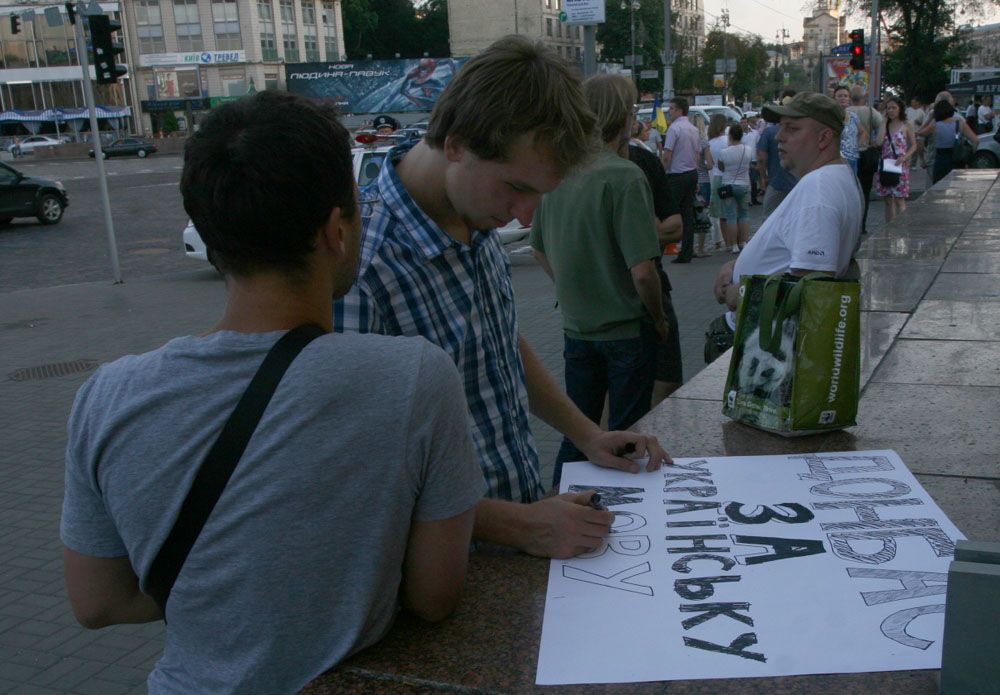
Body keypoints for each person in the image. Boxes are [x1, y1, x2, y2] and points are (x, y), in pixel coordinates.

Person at [60, 92, 485, 693]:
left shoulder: (106, 395)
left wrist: (223, 600)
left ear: (212, 237)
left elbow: (96, 603)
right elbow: (435, 597)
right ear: (336, 230)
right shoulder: (414, 378)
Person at [332, 36, 670, 560]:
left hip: (517, 532)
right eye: (515, 188)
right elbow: (360, 472)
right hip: (437, 572)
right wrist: (520, 526)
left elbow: (499, 348)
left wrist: (587, 435)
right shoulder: (362, 265)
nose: (527, 216)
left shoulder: (474, 216)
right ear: (458, 143)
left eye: (539, 194)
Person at [531, 74, 668, 484]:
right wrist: (659, 319)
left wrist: (572, 285)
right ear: (621, 117)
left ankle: (561, 497)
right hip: (626, 332)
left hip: (577, 328)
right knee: (626, 436)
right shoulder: (623, 175)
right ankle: (623, 520)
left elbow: (538, 248)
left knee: (580, 430)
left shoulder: (559, 172)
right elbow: (644, 272)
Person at [707, 92, 863, 363]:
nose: (779, 137)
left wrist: (741, 293)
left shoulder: (819, 189)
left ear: (824, 138)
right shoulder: (829, 178)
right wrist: (737, 266)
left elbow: (811, 286)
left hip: (762, 350)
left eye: (792, 128)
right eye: (781, 127)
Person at [662, 97, 702, 264]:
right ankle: (687, 251)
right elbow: (697, 154)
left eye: (671, 109)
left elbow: (667, 154)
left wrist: (662, 173)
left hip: (677, 174)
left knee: (668, 211)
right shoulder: (693, 129)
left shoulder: (674, 128)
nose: (669, 112)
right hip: (691, 173)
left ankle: (663, 246)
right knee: (687, 213)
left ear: (679, 110)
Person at [848, 85, 884, 235]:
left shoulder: (845, 112)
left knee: (850, 190)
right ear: (864, 98)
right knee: (865, 190)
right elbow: (881, 127)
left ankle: (851, 225)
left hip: (850, 154)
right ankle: (862, 225)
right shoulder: (871, 111)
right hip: (868, 154)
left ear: (850, 98)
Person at [875, 96, 917, 223]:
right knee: (887, 199)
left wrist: (905, 157)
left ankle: (901, 227)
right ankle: (888, 228)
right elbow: (878, 142)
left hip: (900, 165)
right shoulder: (885, 124)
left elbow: (914, 145)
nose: (891, 110)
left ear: (900, 109)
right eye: (889, 108)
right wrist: (883, 122)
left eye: (894, 108)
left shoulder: (906, 125)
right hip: (885, 164)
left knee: (899, 199)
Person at [918, 99, 979, 184]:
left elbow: (920, 133)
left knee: (940, 188)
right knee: (956, 186)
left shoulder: (935, 124)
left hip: (941, 159)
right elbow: (975, 140)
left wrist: (929, 119)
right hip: (957, 159)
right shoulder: (959, 122)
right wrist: (970, 155)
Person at [717, 124, 753, 254]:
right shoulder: (748, 150)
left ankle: (733, 245)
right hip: (744, 184)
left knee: (731, 215)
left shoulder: (724, 152)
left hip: (728, 185)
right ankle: (743, 241)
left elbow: (721, 167)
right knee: (744, 213)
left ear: (730, 136)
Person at [834, 85, 867, 176]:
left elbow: (863, 132)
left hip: (852, 158)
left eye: (845, 96)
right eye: (839, 96)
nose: (843, 98)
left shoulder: (853, 116)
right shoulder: (831, 116)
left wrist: (857, 145)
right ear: (834, 99)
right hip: (836, 160)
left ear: (849, 99)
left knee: (851, 186)